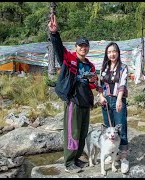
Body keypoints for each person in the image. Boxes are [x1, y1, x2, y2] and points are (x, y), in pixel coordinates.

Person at [48, 14, 98, 173]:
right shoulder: (69, 58)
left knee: (82, 132)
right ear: (76, 47)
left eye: (86, 46)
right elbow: (58, 49)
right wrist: (55, 34)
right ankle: (69, 162)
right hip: (73, 100)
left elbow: (91, 84)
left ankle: (76, 158)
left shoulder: (90, 65)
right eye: (81, 46)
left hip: (85, 102)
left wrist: (95, 81)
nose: (83, 48)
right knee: (73, 132)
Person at [97, 42, 130, 174]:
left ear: (118, 52)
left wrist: (118, 99)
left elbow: (122, 84)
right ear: (106, 53)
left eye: (114, 51)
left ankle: (123, 159)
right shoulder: (104, 67)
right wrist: (100, 96)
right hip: (106, 100)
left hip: (118, 99)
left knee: (121, 128)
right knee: (108, 128)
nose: (112, 54)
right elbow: (99, 84)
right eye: (109, 52)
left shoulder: (123, 67)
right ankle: (111, 155)